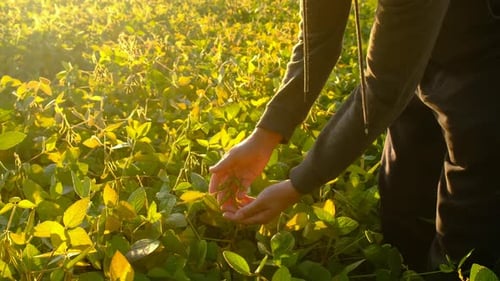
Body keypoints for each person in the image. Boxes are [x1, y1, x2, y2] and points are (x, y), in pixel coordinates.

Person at [209, 0, 500, 277]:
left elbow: (383, 88)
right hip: (419, 40)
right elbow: (317, 43)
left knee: (464, 226)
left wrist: (300, 183)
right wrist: (265, 136)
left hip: (486, 52)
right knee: (402, 198)